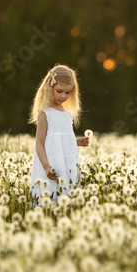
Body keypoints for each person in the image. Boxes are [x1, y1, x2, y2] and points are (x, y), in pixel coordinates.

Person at [28, 64, 89, 203]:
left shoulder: (68, 114)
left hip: (66, 164)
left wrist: (77, 142)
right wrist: (46, 166)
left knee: (67, 197)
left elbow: (63, 141)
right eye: (60, 91)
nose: (63, 96)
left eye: (68, 93)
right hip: (51, 165)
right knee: (49, 197)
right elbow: (39, 144)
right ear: (50, 88)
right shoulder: (45, 114)